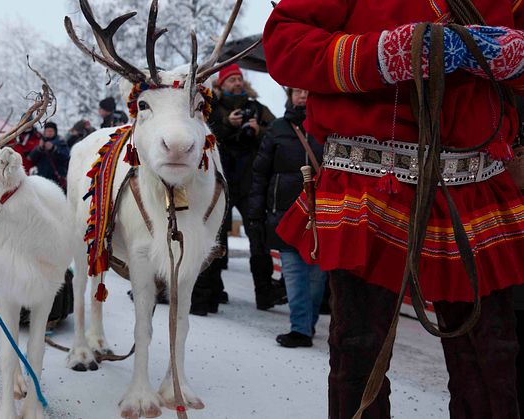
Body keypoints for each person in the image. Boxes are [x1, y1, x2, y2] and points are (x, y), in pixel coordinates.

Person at [265, 1, 524, 417]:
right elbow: (284, 44)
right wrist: (385, 54)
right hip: (372, 181)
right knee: (359, 347)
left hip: (476, 186)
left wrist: (513, 57)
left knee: (493, 352)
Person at [194, 63, 278, 314]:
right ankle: (214, 292)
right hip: (219, 183)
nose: (237, 83)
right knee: (216, 239)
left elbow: (276, 134)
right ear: (222, 84)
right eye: (232, 80)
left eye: (239, 79)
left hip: (250, 183)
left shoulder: (258, 109)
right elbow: (204, 137)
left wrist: (258, 130)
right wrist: (228, 125)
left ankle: (265, 293)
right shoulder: (212, 110)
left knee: (258, 239)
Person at [248, 87, 327, 347]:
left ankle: (307, 324)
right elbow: (260, 173)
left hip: (321, 214)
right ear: (289, 96)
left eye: (307, 92)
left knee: (316, 279)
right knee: (294, 274)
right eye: (297, 92)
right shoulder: (278, 128)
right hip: (285, 212)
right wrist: (256, 214)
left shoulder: (327, 127)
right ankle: (300, 329)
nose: (303, 96)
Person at [28, 121, 69, 190]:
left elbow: (66, 157)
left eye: (51, 131)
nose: (49, 133)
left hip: (57, 179)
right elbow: (31, 158)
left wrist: (54, 149)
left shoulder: (61, 142)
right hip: (42, 178)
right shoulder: (40, 142)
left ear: (55, 132)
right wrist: (39, 149)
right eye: (47, 131)